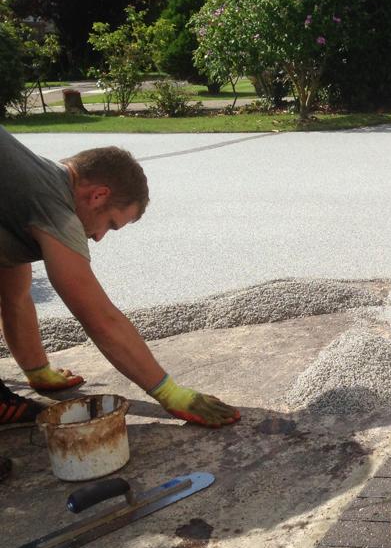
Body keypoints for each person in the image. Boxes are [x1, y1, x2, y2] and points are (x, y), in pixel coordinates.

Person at [0, 126, 240, 478]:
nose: (98, 238)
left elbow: (15, 296)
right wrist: (170, 393)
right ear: (98, 195)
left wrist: (38, 372)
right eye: (110, 225)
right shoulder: (56, 208)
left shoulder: (22, 194)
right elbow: (100, 318)